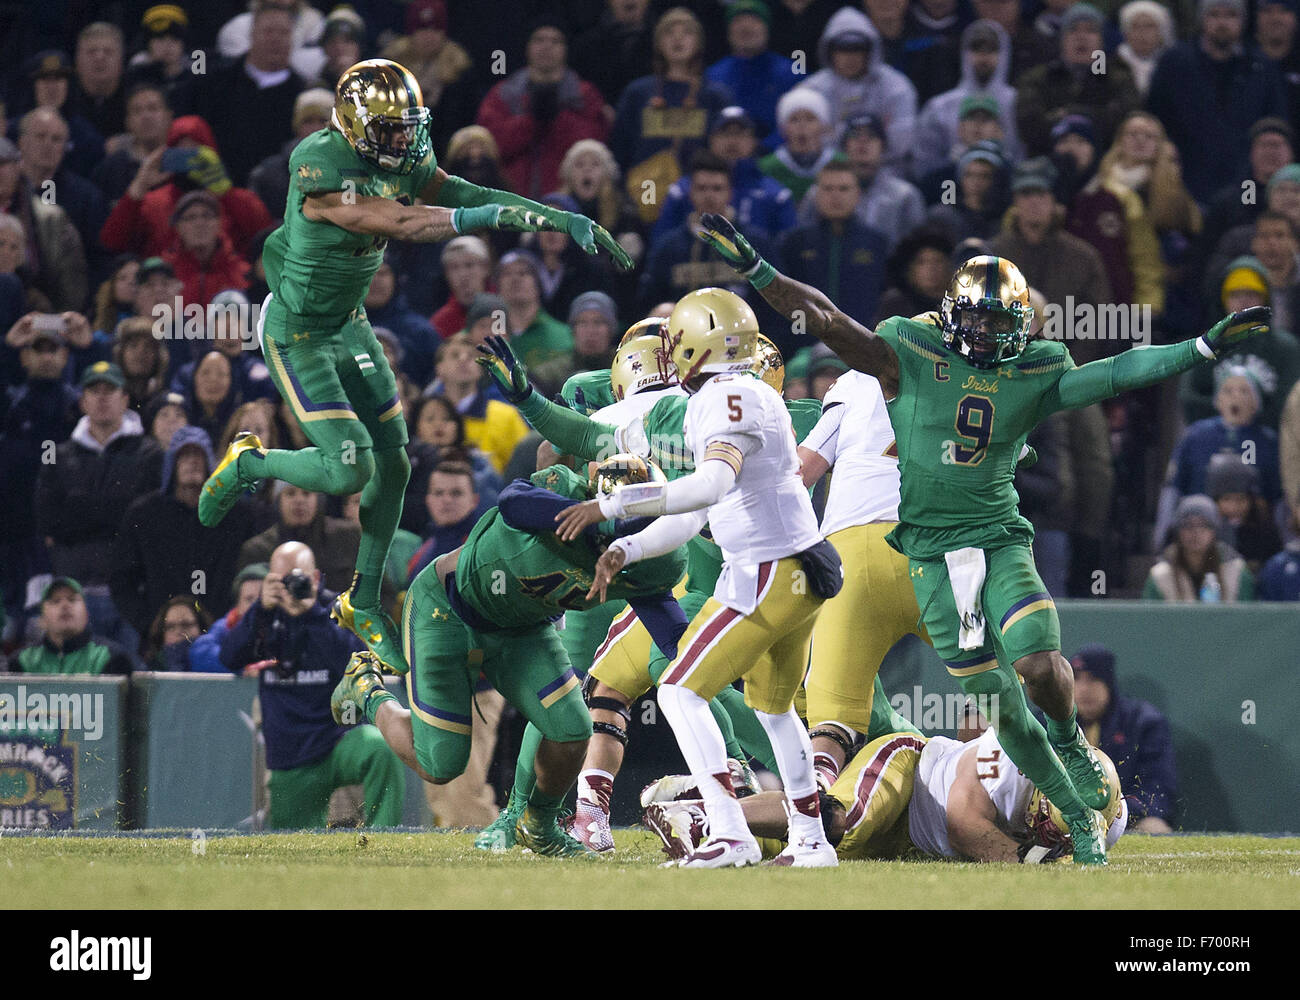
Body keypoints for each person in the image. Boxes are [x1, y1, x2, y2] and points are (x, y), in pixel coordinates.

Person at [693, 211, 1271, 863]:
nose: (995, 333)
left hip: (975, 548)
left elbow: (1112, 374)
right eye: (985, 320)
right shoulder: (901, 355)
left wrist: (1196, 348)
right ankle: (1057, 816)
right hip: (930, 560)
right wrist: (762, 272)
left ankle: (1065, 758)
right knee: (976, 704)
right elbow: (827, 320)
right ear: (951, 318)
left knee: (1032, 670)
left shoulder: (1022, 372)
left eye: (1006, 322)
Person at [197, 58, 631, 679]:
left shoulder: (393, 152)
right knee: (351, 468)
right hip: (298, 334)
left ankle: (362, 599)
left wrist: (550, 214)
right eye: (390, 128)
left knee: (395, 463)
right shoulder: (319, 165)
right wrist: (499, 220)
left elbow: (461, 193)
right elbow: (400, 220)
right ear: (351, 125)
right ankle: (250, 461)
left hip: (348, 323)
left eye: (408, 126)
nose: (403, 140)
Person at [534, 289, 844, 869]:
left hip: (766, 570)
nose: (671, 351)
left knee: (678, 690)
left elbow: (709, 487)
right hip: (798, 569)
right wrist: (629, 549)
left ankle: (730, 832)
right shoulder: (751, 391)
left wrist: (611, 508)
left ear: (699, 343)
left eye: (677, 339)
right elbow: (697, 515)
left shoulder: (724, 396)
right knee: (775, 711)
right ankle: (811, 839)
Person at [329, 454, 688, 857]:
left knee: (573, 729)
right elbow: (513, 500)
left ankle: (538, 824)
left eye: (648, 529)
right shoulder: (564, 492)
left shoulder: (656, 563)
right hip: (446, 610)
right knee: (441, 765)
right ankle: (366, 686)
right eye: (627, 529)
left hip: (522, 630)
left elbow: (675, 638)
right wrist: (593, 518)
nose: (637, 543)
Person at [645, 723, 1127, 863]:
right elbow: (962, 826)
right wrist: (1032, 861)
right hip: (909, 777)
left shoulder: (1107, 813)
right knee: (843, 819)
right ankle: (707, 814)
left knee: (809, 849)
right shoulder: (1015, 758)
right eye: (1047, 814)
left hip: (914, 844)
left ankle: (722, 800)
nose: (1045, 827)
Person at [219, 540, 405, 830]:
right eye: (282, 579)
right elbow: (229, 657)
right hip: (290, 757)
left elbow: (354, 659)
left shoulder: (333, 612)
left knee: (378, 747)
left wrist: (311, 614)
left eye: (298, 577)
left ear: (315, 578)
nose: (291, 586)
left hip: (338, 743)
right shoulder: (263, 618)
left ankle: (385, 837)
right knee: (290, 844)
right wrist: (260, 611)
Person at [35, 361, 163, 650]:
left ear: (125, 399)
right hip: (73, 592)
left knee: (127, 680)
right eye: (94, 390)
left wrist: (80, 508)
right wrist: (118, 510)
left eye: (110, 390)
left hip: (130, 594)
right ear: (82, 401)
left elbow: (147, 522)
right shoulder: (57, 455)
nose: (102, 397)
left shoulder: (151, 453)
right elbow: (48, 521)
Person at [112, 425, 257, 640]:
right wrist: (150, 625)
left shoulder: (238, 514)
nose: (193, 461)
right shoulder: (144, 515)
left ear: (211, 462)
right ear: (171, 464)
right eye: (184, 455)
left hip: (225, 635)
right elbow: (121, 580)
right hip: (163, 639)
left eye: (199, 454)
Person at [1147, 0, 1287, 204]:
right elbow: (1155, 118)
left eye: (1230, 15)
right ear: (1202, 20)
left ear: (1242, 21)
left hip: (1246, 181)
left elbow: (1276, 123)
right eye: (1214, 15)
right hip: (1185, 179)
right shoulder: (1175, 62)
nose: (1222, 23)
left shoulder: (1262, 66)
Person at [476, 19, 609, 200]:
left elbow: (594, 146)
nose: (546, 47)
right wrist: (532, 121)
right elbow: (490, 146)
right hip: (511, 200)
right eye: (539, 40)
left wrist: (558, 116)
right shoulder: (503, 94)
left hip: (569, 203)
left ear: (566, 49)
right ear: (527, 47)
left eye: (555, 41)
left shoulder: (585, 95)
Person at [1014, 4, 1139, 159]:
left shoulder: (1118, 78)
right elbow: (1031, 128)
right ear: (1062, 39)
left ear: (1102, 40)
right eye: (1073, 29)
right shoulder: (1037, 78)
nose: (1082, 36)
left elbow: (1125, 125)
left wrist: (1070, 113)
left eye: (1090, 30)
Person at [802, 6, 918, 168]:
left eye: (857, 49)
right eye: (842, 50)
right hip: (827, 170)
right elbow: (805, 139)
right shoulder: (812, 90)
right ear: (829, 51)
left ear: (871, 51)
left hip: (886, 169)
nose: (850, 57)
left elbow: (902, 141)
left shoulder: (896, 86)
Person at [913, 20, 1024, 182]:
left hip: (1003, 187)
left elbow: (1024, 158)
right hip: (950, 183)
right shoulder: (939, 106)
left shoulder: (1018, 103)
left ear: (1004, 53)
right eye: (976, 48)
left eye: (992, 49)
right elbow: (924, 164)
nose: (983, 56)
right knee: (945, 205)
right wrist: (952, 165)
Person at [4, 577, 136, 675]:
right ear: (42, 619)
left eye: (73, 599)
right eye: (55, 601)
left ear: (86, 614)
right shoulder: (21, 661)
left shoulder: (111, 657)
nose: (65, 605)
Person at [1145, 493, 1255, 601]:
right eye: (1187, 525)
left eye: (1204, 525)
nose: (1196, 532)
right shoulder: (1160, 574)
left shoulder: (1237, 571)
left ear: (1215, 532)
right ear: (1177, 532)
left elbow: (1249, 616)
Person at [430, 235, 490, 341]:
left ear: (486, 268)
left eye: (469, 265)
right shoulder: (439, 323)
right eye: (454, 267)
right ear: (446, 274)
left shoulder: (507, 311)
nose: (462, 274)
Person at [141, 596, 212, 672]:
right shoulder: (149, 671)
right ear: (161, 634)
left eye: (186, 625)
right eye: (170, 627)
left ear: (202, 628)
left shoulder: (218, 664)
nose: (179, 632)